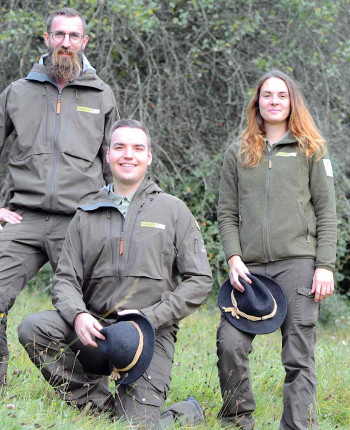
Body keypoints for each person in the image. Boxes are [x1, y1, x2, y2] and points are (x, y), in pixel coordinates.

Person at [17, 119, 213, 428]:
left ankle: (186, 413)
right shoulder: (86, 214)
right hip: (96, 331)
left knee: (136, 427)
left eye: (137, 148)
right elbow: (65, 280)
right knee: (34, 327)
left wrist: (152, 316)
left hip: (150, 335)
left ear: (148, 156)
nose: (128, 155)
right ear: (108, 155)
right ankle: (95, 402)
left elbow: (200, 281)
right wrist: (79, 315)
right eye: (120, 147)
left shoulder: (174, 211)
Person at [0, 7, 119, 391]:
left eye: (74, 36)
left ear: (84, 42)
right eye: (59, 35)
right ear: (47, 39)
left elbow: (118, 162)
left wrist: (117, 216)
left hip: (81, 221)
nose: (66, 42)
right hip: (25, 219)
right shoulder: (18, 92)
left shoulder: (102, 96)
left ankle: (92, 392)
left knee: (95, 310)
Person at [216, 70, 337, 429]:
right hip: (250, 272)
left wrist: (325, 265)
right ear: (257, 102)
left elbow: (326, 212)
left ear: (291, 102)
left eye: (281, 96)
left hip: (299, 265)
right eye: (267, 95)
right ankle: (238, 421)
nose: (273, 101)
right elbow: (225, 213)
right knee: (230, 344)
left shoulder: (311, 149)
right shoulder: (236, 153)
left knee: (299, 357)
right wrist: (234, 257)